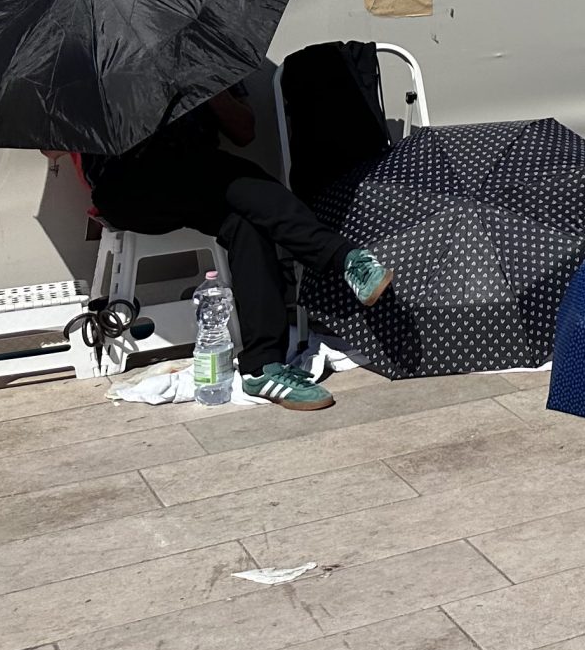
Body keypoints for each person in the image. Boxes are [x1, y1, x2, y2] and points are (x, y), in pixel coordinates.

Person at [83, 89, 392, 411]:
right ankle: (344, 257)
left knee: (247, 222)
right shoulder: (94, 69)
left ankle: (262, 367)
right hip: (128, 189)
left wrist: (204, 90)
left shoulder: (198, 55)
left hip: (201, 179)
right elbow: (53, 151)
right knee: (225, 172)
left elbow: (244, 132)